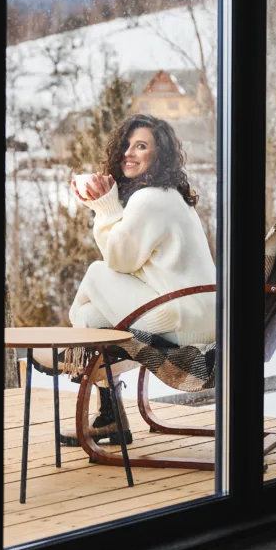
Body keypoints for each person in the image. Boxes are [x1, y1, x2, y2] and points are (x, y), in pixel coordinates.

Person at [57, 113, 215, 445]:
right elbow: (128, 265)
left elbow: (118, 261)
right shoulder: (170, 195)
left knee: (95, 276)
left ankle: (99, 389)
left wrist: (104, 208)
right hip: (197, 314)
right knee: (91, 316)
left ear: (160, 154)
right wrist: (109, 209)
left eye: (141, 146)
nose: (129, 152)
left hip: (182, 319)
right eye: (126, 145)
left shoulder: (150, 199)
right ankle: (110, 416)